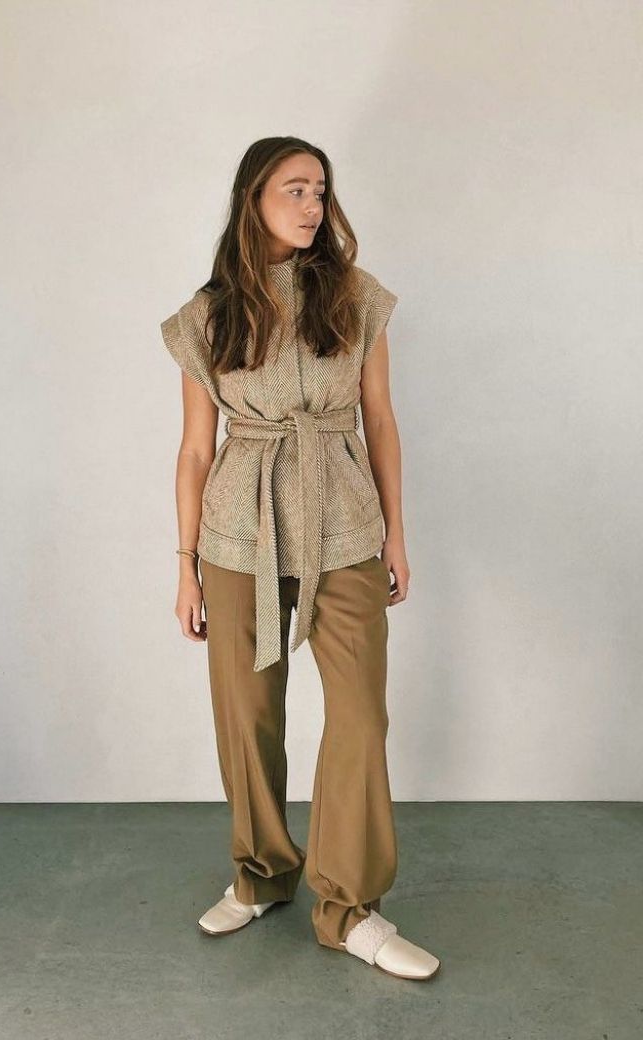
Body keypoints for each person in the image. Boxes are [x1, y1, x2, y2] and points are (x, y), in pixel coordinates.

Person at [160, 136, 440, 980]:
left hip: (344, 523)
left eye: (320, 190)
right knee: (247, 714)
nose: (313, 205)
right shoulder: (208, 316)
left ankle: (351, 907)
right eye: (295, 189)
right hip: (237, 532)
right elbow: (194, 450)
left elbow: (380, 419)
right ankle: (261, 874)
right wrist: (185, 565)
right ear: (254, 199)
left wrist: (395, 535)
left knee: (359, 714)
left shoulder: (355, 297)